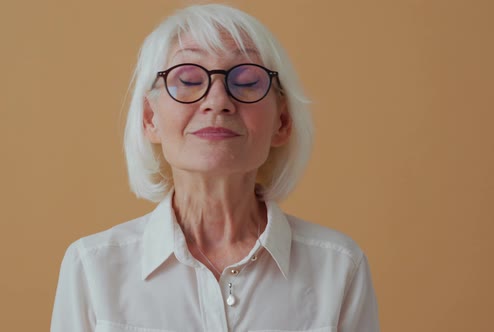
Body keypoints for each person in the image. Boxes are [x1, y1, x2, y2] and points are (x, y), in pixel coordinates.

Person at [51, 4, 379, 332]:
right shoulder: (92, 268)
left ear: (282, 121)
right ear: (150, 119)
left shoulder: (338, 267)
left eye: (247, 81)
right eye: (189, 79)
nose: (217, 100)